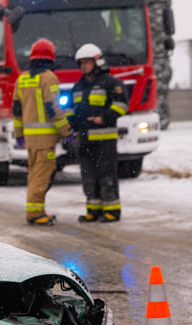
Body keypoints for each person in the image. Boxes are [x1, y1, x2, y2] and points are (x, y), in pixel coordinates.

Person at [12, 39, 72, 225]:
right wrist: (67, 132)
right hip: (45, 139)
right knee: (41, 175)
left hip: (30, 138)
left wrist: (19, 134)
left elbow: (16, 110)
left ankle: (36, 210)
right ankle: (35, 214)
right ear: (50, 57)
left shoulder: (22, 79)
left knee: (34, 174)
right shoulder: (48, 78)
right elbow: (53, 108)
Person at [67, 43, 128, 223]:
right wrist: (71, 122)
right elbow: (70, 108)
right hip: (84, 139)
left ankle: (112, 211)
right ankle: (93, 210)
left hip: (104, 139)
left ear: (97, 62)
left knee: (106, 175)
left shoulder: (111, 83)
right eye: (81, 63)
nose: (83, 67)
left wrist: (104, 117)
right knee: (88, 176)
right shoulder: (78, 86)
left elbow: (122, 104)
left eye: (87, 62)